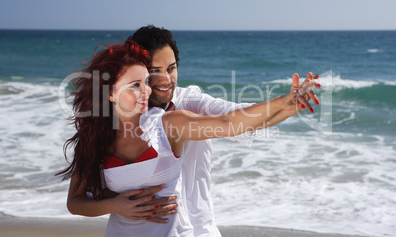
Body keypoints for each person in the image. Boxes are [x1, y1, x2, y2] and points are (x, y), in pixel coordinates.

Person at [58, 39, 320, 236]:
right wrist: (114, 205)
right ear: (110, 93)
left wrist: (285, 103)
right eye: (134, 85)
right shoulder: (93, 140)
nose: (146, 91)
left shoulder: (169, 123)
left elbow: (231, 121)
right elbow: (75, 202)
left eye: (145, 82)